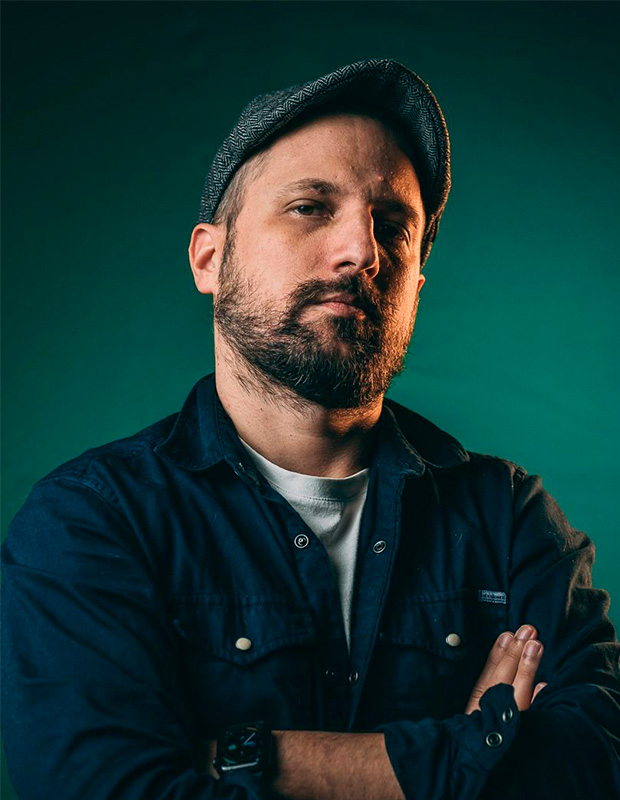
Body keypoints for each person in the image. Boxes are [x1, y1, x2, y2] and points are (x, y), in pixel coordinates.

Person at [2, 58, 619, 800]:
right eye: (310, 207)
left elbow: (595, 763)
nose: (362, 251)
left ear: (418, 283)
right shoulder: (91, 520)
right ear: (210, 257)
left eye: (393, 226)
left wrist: (244, 759)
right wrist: (469, 747)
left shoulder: (509, 519)